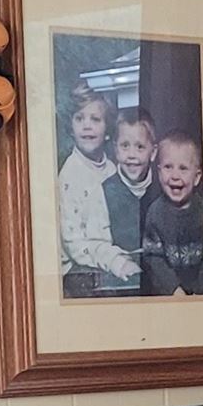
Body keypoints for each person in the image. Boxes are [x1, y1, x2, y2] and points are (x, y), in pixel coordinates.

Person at [56, 86, 137, 294]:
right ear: (71, 127)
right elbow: (75, 245)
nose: (87, 126)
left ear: (108, 131)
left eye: (95, 119)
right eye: (79, 118)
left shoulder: (111, 168)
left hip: (109, 262)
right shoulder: (69, 177)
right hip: (78, 272)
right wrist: (115, 261)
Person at [139, 135, 203, 296]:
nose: (175, 175)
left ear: (197, 177)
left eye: (183, 168)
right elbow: (153, 258)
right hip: (169, 295)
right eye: (168, 167)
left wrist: (202, 291)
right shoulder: (155, 213)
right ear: (159, 172)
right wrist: (174, 290)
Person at [106, 109, 160, 277]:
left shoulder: (163, 188)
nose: (131, 155)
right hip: (121, 275)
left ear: (153, 152)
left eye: (140, 147)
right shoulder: (104, 191)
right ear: (116, 150)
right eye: (125, 146)